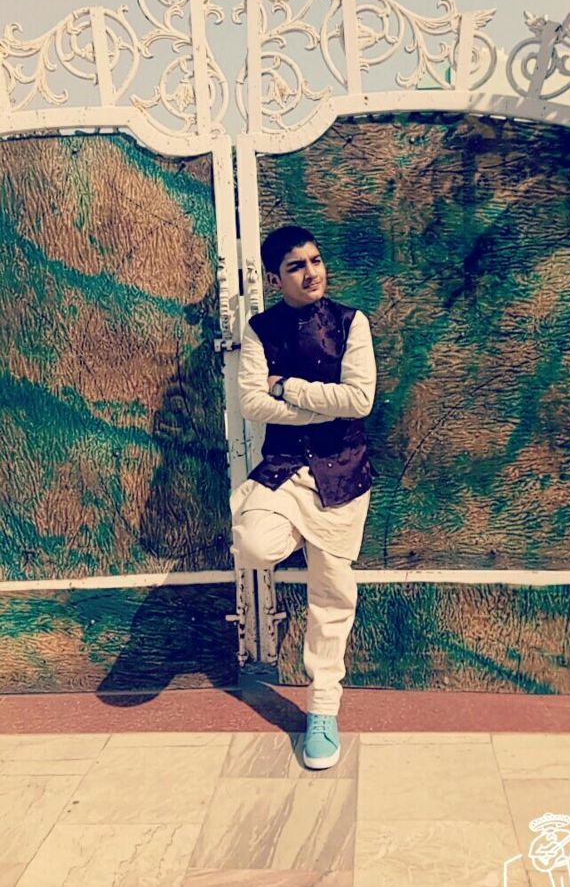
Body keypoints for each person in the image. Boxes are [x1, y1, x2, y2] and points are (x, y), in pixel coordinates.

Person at [230, 225, 377, 769]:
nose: (311, 272)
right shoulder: (261, 330)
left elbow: (359, 400)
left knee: (332, 596)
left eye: (315, 261)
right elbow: (251, 404)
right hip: (286, 470)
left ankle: (322, 711)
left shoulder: (351, 322)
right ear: (276, 279)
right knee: (254, 543)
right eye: (296, 266)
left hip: (343, 474)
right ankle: (295, 529)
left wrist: (286, 388)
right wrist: (322, 406)